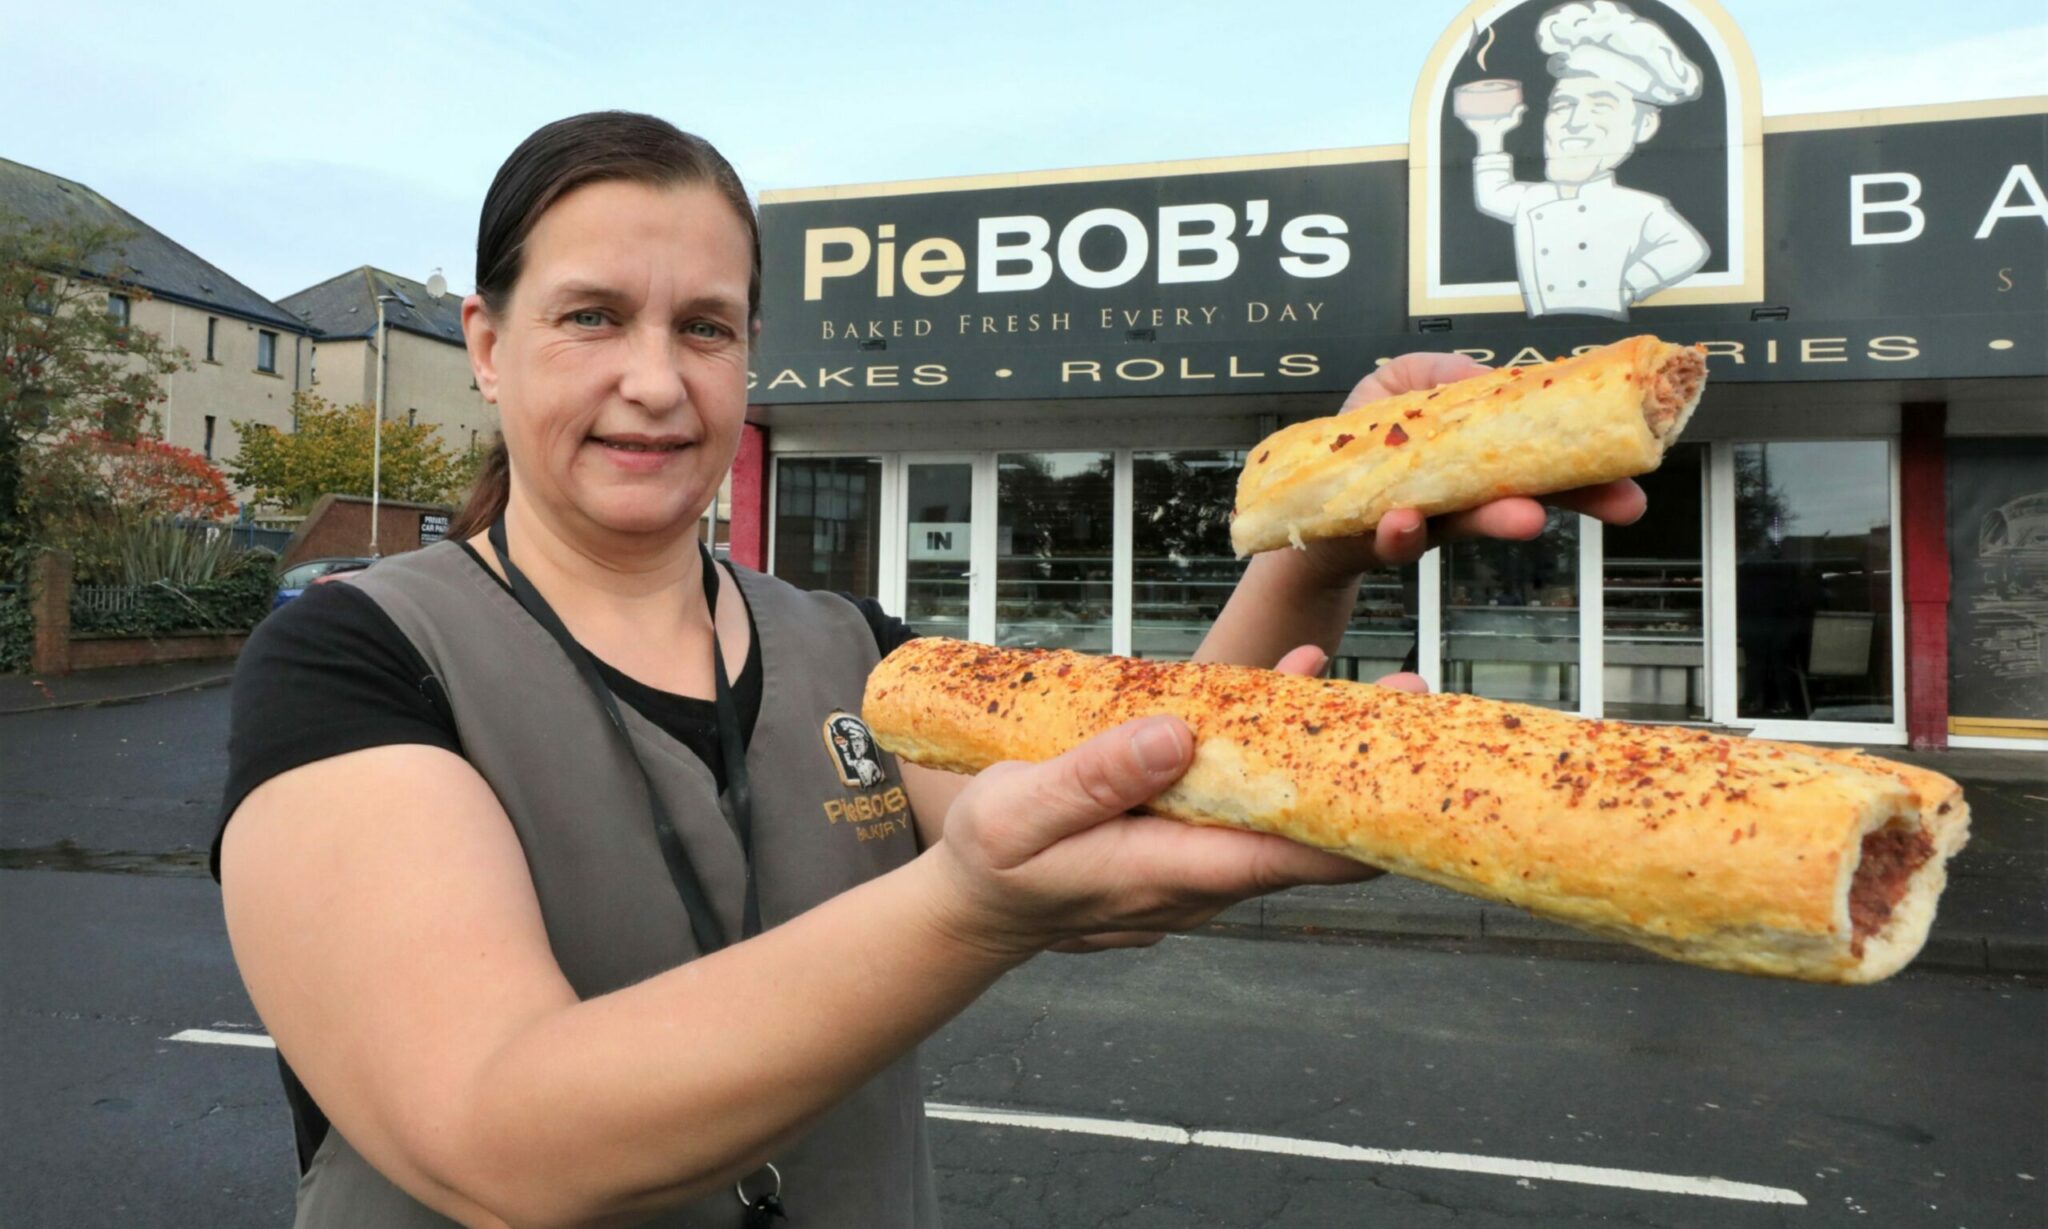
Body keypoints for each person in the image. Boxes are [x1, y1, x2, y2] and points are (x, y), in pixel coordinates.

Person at [214, 111, 1647, 1228]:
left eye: (704, 327)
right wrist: (967, 911)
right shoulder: (355, 654)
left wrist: (1324, 530)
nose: (655, 379)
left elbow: (1132, 801)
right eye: (593, 316)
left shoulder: (854, 649)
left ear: (747, 355)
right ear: (486, 343)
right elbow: (495, 1138)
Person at [1459, 0, 1710, 319]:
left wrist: (1628, 286)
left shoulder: (1641, 208)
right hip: (1541, 336)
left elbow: (1687, 248)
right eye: (1563, 105)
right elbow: (1492, 194)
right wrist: (1489, 135)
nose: (1574, 122)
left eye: (1600, 106)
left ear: (1644, 125)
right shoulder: (1533, 200)